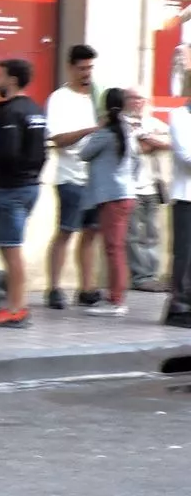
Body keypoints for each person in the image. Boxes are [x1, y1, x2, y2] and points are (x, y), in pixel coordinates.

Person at [0, 58, 48, 327]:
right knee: (14, 248)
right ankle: (16, 306)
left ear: (11, 80)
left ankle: (15, 308)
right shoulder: (35, 109)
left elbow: (8, 155)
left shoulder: (10, 112)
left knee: (11, 250)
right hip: (31, 186)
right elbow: (42, 153)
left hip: (12, 189)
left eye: (0, 75)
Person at [46, 45, 103, 309]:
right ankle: (55, 287)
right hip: (70, 176)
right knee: (66, 231)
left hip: (95, 178)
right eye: (82, 68)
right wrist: (91, 130)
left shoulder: (97, 96)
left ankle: (87, 287)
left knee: (91, 233)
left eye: (90, 68)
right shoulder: (60, 98)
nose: (86, 73)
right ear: (70, 68)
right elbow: (58, 139)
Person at [77, 88, 140, 317]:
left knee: (113, 249)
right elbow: (137, 161)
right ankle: (116, 295)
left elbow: (84, 153)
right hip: (126, 194)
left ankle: (117, 300)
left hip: (111, 197)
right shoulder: (127, 130)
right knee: (116, 247)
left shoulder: (106, 132)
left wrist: (97, 128)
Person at [124, 88, 171, 292]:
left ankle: (152, 275)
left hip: (152, 187)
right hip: (131, 187)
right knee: (134, 235)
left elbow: (171, 141)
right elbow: (134, 148)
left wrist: (150, 140)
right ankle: (140, 277)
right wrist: (149, 142)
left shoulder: (153, 123)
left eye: (141, 98)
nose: (137, 102)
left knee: (152, 234)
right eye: (133, 98)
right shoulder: (122, 123)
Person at [167, 99, 191, 327]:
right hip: (186, 196)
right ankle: (179, 307)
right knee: (185, 254)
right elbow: (186, 156)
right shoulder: (180, 116)